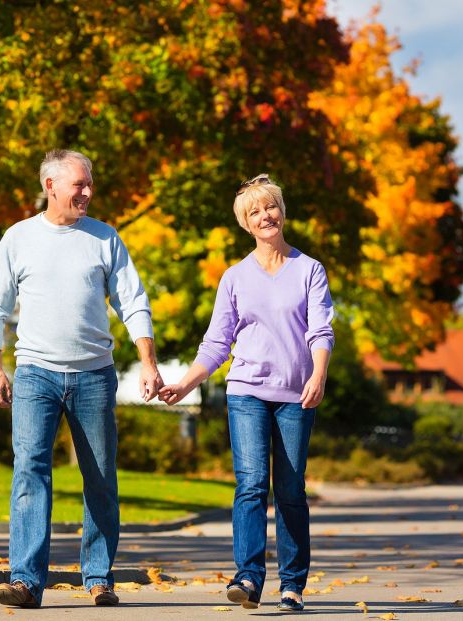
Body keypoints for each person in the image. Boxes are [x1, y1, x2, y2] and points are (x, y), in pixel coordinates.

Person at [0, 149, 163, 608]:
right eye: (79, 184)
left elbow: (133, 301)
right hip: (35, 374)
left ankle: (98, 577)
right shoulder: (18, 238)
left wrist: (148, 361)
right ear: (50, 186)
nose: (87, 192)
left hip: (94, 376)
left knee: (99, 477)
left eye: (89, 184)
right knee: (30, 471)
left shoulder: (104, 238)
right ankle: (25, 581)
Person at [158, 173, 334, 612]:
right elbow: (217, 343)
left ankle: (292, 585)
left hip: (296, 394)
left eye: (270, 206)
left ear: (282, 211)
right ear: (245, 223)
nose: (265, 216)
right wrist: (185, 383)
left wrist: (318, 375)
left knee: (289, 489)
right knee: (252, 484)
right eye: (254, 212)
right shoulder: (234, 277)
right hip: (246, 392)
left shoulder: (309, 270)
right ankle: (249, 577)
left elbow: (320, 330)